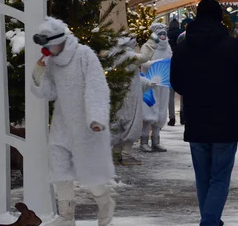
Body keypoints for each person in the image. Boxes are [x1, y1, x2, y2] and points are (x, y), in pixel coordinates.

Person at [170, 0, 238, 226]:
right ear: (219, 17)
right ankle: (209, 222)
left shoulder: (182, 47)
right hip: (225, 119)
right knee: (219, 177)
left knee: (203, 178)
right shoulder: (231, 46)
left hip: (196, 119)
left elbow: (176, 83)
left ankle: (210, 220)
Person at [30, 17, 115, 226]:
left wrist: (96, 118)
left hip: (86, 124)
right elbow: (48, 93)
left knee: (91, 172)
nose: (47, 50)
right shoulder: (50, 62)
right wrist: (38, 75)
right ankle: (66, 216)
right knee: (60, 168)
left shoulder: (84, 55)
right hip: (61, 123)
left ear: (60, 40)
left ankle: (105, 204)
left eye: (49, 45)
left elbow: (96, 86)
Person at [108, 35, 157, 165]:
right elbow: (144, 57)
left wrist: (146, 83)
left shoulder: (114, 56)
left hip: (118, 95)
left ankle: (116, 154)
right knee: (132, 123)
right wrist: (151, 42)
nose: (135, 44)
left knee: (118, 123)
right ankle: (126, 155)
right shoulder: (129, 56)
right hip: (131, 96)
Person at [140, 23, 173, 152]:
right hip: (150, 84)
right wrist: (157, 64)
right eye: (160, 34)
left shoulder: (168, 47)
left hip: (163, 85)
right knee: (149, 111)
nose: (163, 36)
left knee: (161, 111)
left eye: (164, 34)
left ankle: (156, 140)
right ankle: (144, 141)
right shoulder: (147, 46)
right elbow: (143, 62)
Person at [167, 18, 184, 126]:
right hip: (181, 64)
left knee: (171, 94)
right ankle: (183, 116)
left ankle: (172, 118)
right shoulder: (182, 36)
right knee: (183, 93)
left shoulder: (167, 35)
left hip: (169, 65)